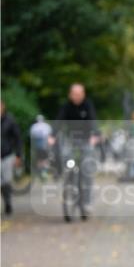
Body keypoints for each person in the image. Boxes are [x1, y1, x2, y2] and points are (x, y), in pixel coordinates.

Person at [54, 83, 100, 220]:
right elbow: (59, 120)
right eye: (74, 94)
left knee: (87, 172)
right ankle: (68, 178)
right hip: (71, 141)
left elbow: (93, 121)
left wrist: (95, 135)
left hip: (86, 141)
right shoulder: (66, 106)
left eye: (79, 94)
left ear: (83, 94)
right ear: (70, 94)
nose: (77, 96)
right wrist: (52, 135)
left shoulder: (88, 105)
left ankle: (86, 203)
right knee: (67, 161)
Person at [1, 101, 22, 215]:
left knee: (6, 181)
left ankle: (7, 202)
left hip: (7, 155)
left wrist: (18, 155)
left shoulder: (10, 120)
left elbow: (18, 138)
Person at [29, 115, 53, 180]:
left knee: (40, 160)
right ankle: (43, 172)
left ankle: (42, 172)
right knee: (44, 159)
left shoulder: (34, 127)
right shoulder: (46, 126)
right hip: (43, 146)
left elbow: (32, 136)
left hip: (39, 147)